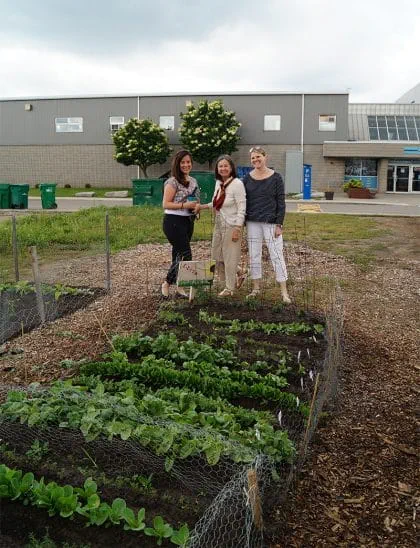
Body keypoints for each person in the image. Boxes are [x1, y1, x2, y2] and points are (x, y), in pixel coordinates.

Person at [242, 146, 291, 303]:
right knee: (254, 255)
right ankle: (255, 288)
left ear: (265, 157)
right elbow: (242, 201)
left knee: (276, 254)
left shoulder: (276, 177)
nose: (256, 160)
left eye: (258, 157)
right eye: (253, 158)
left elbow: (281, 202)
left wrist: (279, 224)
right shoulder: (246, 179)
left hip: (271, 223)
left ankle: (284, 291)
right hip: (252, 222)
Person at [199, 155, 246, 297]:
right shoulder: (218, 183)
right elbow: (215, 202)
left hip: (232, 225)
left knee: (230, 257)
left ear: (231, 168)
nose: (223, 168)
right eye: (220, 166)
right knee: (217, 255)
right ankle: (240, 272)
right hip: (219, 223)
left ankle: (229, 288)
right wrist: (201, 207)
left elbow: (242, 207)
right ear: (217, 169)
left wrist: (238, 228)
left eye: (226, 166)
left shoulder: (237, 184)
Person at [161, 150, 199, 298]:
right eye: (182, 162)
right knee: (186, 254)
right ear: (177, 164)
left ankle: (178, 287)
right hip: (173, 222)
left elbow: (195, 200)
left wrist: (196, 208)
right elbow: (165, 203)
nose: (186, 165)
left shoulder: (194, 181)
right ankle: (167, 283)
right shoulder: (172, 182)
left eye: (188, 162)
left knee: (177, 254)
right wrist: (184, 205)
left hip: (188, 221)